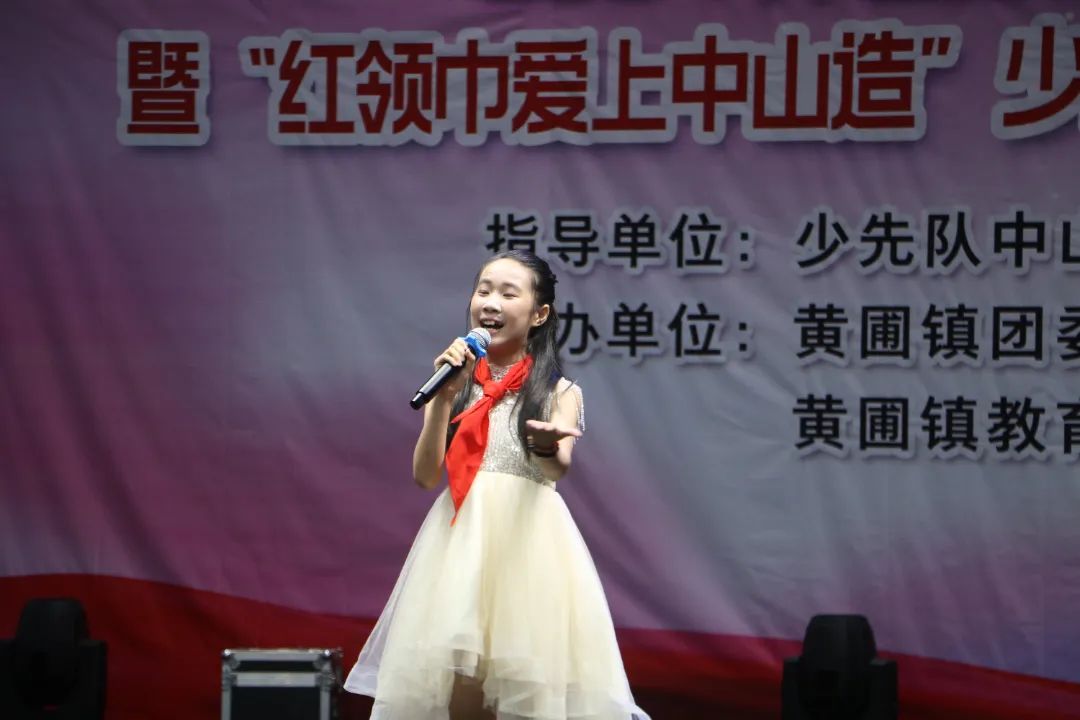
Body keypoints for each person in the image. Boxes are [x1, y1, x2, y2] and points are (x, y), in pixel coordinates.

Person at [345, 250, 650, 720]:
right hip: (460, 549)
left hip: (529, 551)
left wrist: (545, 446)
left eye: (509, 294)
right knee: (458, 687)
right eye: (484, 290)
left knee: (523, 684)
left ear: (539, 314)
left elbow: (557, 469)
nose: (491, 302)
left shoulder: (560, 391)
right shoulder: (454, 383)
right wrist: (443, 400)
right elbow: (425, 475)